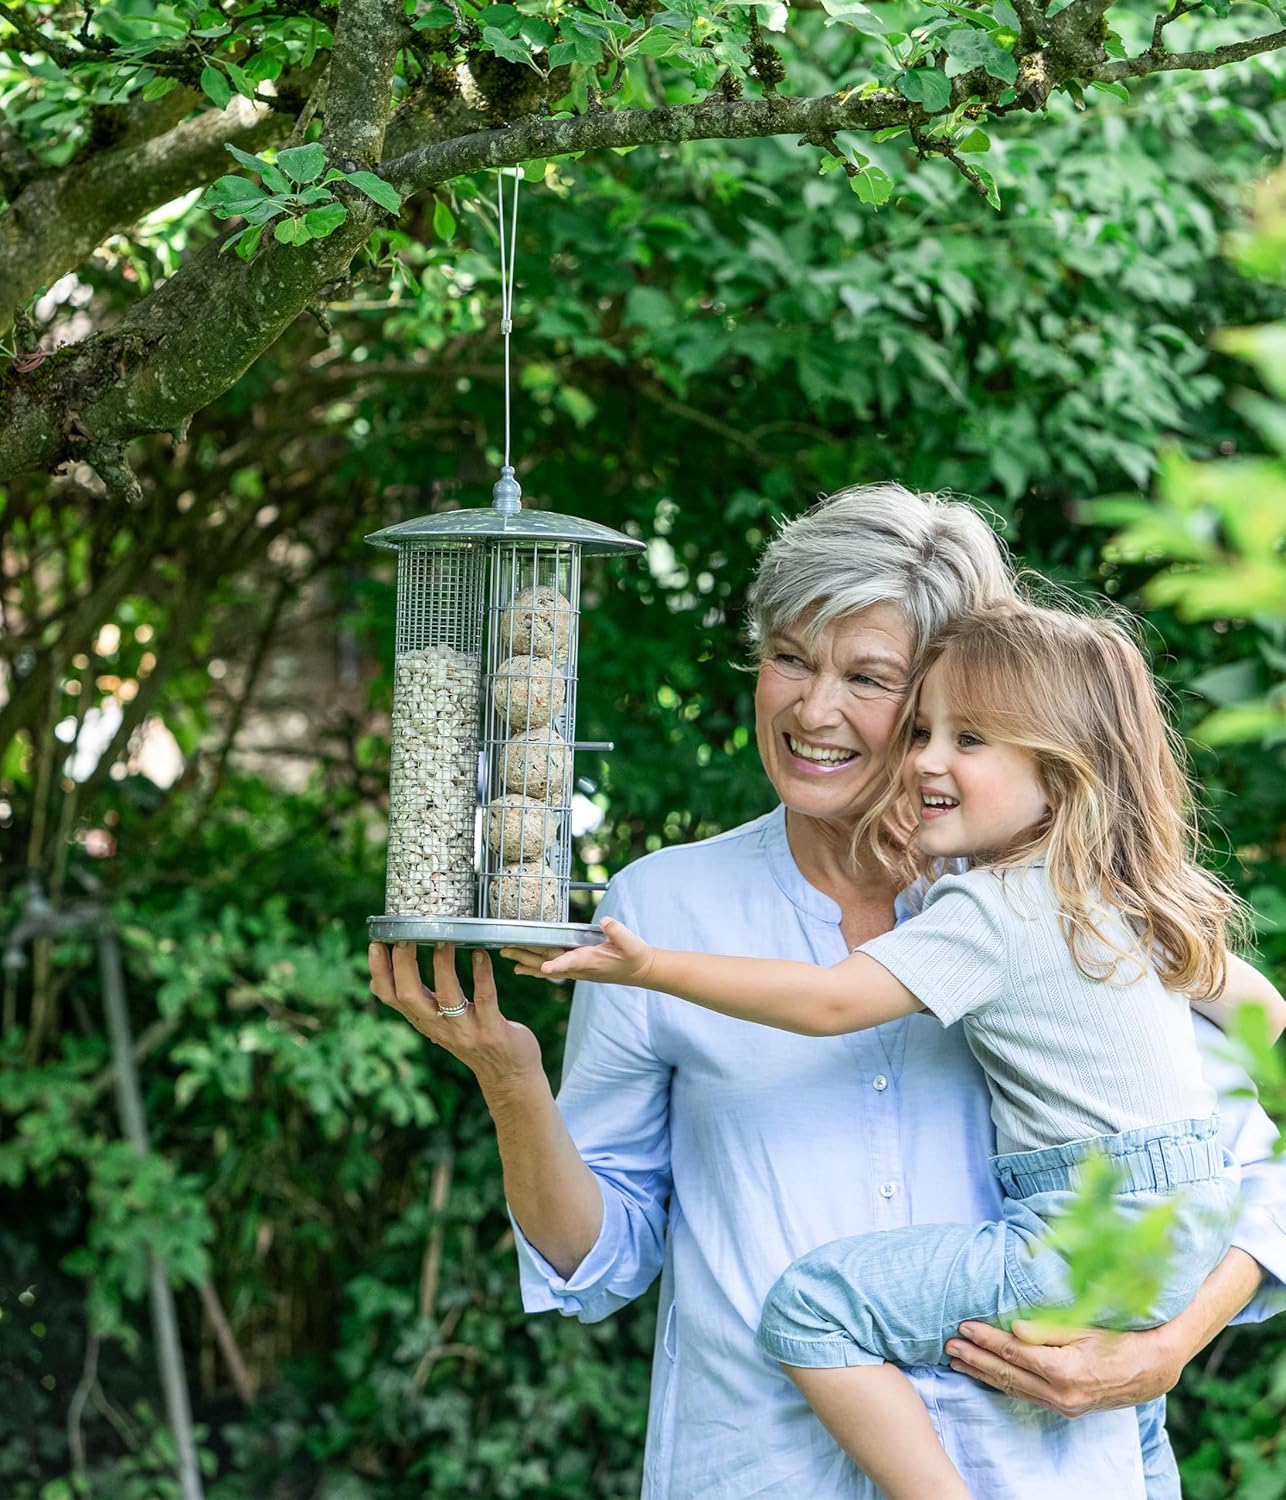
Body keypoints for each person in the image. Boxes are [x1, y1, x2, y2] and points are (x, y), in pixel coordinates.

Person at [369, 485, 1286, 1500]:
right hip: (757, 1470)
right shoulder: (659, 909)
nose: (812, 709)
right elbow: (600, 1256)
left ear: (959, 692)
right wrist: (511, 1081)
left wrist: (1168, 1349)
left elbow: (1251, 1159)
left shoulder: (1060, 908)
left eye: (868, 677)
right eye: (789, 658)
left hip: (1038, 1468)